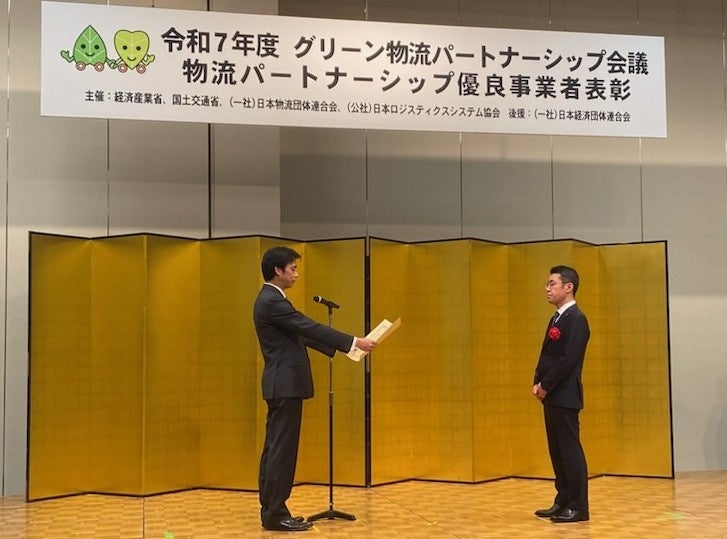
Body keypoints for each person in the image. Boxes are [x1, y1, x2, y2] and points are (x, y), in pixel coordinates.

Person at [253, 246, 376, 532]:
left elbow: (299, 333)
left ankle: (273, 510)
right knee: (281, 451)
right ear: (278, 271)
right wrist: (353, 342)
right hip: (285, 384)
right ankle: (274, 513)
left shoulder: (270, 299)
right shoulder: (273, 301)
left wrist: (346, 349)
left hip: (280, 384)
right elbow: (307, 326)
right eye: (292, 268)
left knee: (275, 449)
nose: (296, 274)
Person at [532, 265, 590, 523]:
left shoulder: (576, 319)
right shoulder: (556, 318)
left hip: (564, 395)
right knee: (557, 451)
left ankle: (578, 506)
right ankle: (563, 500)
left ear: (569, 287)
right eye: (547, 284)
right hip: (552, 394)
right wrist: (537, 381)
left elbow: (568, 360)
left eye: (552, 283)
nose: (547, 288)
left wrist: (546, 385)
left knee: (569, 451)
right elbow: (547, 356)